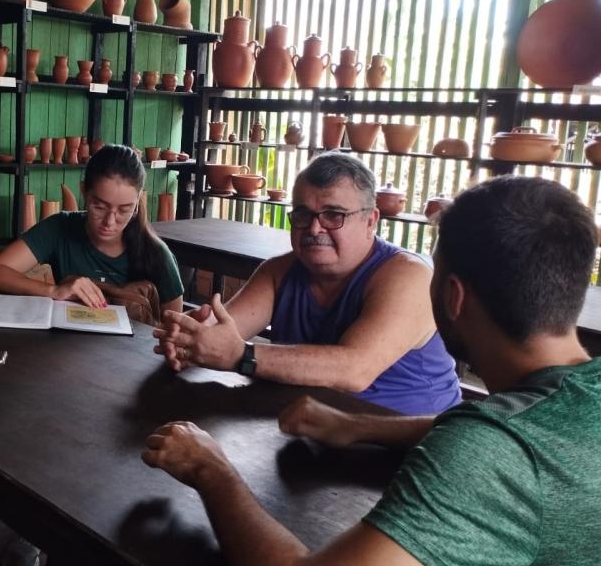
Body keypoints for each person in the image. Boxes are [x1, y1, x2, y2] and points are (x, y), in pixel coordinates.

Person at [143, 176, 601, 565]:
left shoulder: (487, 455)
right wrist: (360, 427)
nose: (315, 228)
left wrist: (210, 470)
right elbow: (515, 424)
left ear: (453, 297)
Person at [154, 153, 460, 415]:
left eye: (333, 215)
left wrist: (241, 355)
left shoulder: (408, 276)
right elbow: (226, 330)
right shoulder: (280, 271)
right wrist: (191, 338)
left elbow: (355, 370)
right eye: (303, 214)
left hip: (412, 447)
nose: (314, 228)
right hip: (308, 430)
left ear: (370, 221)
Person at [0, 144, 185, 314]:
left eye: (124, 210)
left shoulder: (156, 254)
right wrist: (53, 291)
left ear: (138, 202)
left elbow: (174, 327)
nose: (110, 221)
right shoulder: (60, 228)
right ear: (84, 191)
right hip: (68, 347)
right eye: (100, 206)